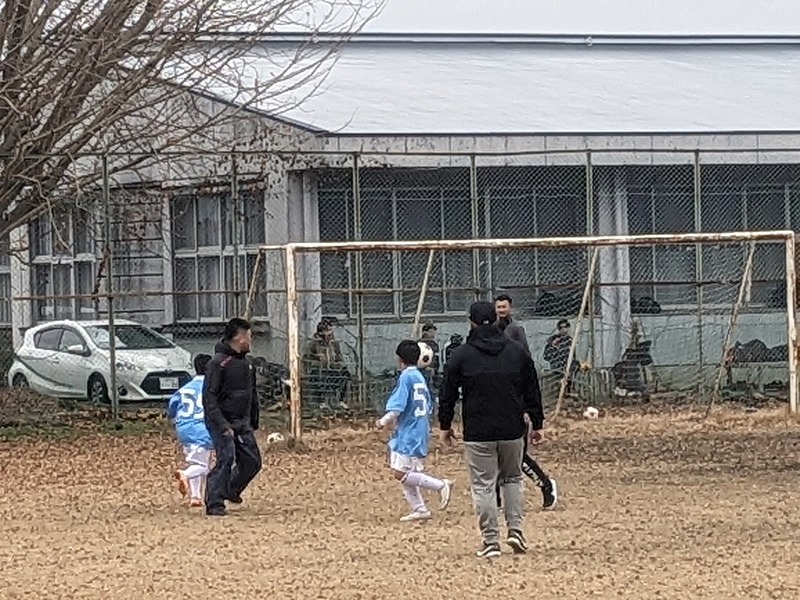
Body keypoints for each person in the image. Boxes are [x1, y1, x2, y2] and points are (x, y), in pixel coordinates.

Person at [440, 301, 545, 558]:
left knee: (484, 485)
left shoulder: (461, 355)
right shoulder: (516, 351)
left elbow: (447, 393)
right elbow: (532, 388)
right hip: (512, 428)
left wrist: (445, 424)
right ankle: (516, 530)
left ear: (471, 322)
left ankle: (490, 540)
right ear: (497, 319)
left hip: (478, 430)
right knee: (512, 479)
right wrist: (537, 422)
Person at [375, 339, 453, 522]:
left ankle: (440, 485)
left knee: (400, 473)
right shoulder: (418, 376)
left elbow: (398, 406)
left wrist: (382, 421)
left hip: (410, 431)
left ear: (399, 359)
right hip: (416, 428)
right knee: (405, 471)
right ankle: (420, 509)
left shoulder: (406, 377)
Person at [494, 295, 558, 511]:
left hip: (515, 404)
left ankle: (545, 484)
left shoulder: (516, 332)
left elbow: (526, 366)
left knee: (516, 455)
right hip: (496, 404)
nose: (501, 310)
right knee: (493, 455)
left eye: (504, 306)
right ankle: (496, 501)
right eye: (498, 307)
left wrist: (529, 410)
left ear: (510, 308)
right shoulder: (488, 334)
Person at [203, 318, 262, 517]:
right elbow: (209, 398)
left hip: (242, 422)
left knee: (252, 461)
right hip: (221, 422)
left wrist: (253, 419)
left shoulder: (248, 364)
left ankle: (231, 488)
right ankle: (214, 502)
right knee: (226, 458)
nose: (251, 339)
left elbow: (252, 394)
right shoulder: (217, 363)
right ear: (239, 337)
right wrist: (222, 424)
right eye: (249, 336)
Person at [167, 353, 213, 507]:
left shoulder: (185, 389)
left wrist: (173, 418)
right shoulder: (210, 388)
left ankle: (195, 496)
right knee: (203, 466)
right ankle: (184, 474)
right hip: (202, 427)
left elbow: (172, 407)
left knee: (195, 461)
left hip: (184, 428)